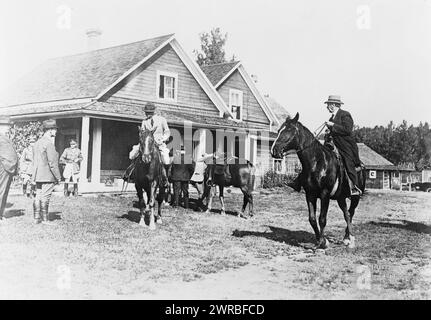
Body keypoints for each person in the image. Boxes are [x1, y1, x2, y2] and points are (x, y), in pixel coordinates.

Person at [324, 95, 362, 196]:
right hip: (333, 144)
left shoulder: (345, 115)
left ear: (333, 105)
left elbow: (347, 130)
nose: (327, 107)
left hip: (345, 145)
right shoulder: (331, 117)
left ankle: (353, 187)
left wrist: (333, 126)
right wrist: (328, 131)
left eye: (328, 105)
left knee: (348, 163)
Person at [32, 119, 62, 224]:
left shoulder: (37, 143)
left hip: (37, 175)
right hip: (47, 175)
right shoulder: (49, 144)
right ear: (49, 130)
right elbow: (53, 163)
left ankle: (36, 218)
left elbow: (34, 160)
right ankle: (45, 219)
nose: (56, 132)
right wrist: (58, 177)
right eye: (54, 129)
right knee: (45, 197)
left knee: (38, 196)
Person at [141, 102, 171, 187]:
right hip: (147, 145)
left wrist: (163, 139)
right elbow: (142, 133)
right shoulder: (144, 122)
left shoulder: (162, 120)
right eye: (146, 112)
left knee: (166, 159)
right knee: (133, 154)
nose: (147, 114)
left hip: (159, 144)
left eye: (149, 112)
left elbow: (167, 131)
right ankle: (130, 173)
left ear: (153, 112)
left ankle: (165, 178)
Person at [0, 117, 18, 223]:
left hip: (7, 168)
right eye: (6, 126)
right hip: (4, 168)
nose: (8, 129)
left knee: (4, 192)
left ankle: (1, 214)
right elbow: (6, 155)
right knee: (1, 191)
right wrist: (10, 166)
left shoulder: (5, 137)